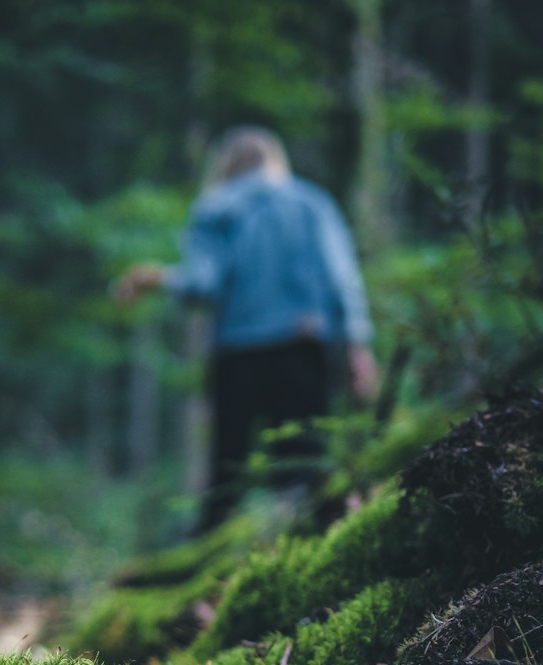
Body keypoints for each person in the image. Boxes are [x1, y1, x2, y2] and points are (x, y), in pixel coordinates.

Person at [115, 126, 378, 532]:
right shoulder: (311, 203)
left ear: (227, 166)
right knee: (302, 466)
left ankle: (202, 566)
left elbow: (203, 284)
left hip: (238, 355)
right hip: (302, 346)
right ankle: (305, 549)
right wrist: (358, 345)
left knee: (228, 469)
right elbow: (341, 279)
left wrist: (159, 278)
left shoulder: (216, 208)